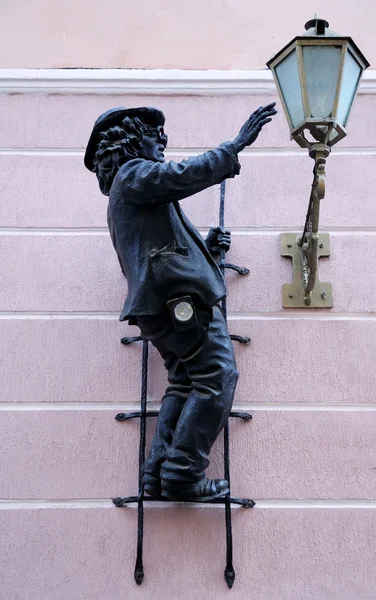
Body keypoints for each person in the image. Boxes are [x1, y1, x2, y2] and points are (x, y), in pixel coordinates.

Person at [84, 103, 277, 501]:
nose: (163, 144)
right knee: (218, 376)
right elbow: (182, 175)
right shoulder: (134, 175)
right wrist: (233, 147)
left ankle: (157, 473)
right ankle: (183, 473)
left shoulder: (131, 190)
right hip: (179, 302)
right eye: (156, 137)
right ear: (134, 140)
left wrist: (205, 250)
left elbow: (157, 248)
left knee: (185, 381)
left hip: (163, 305)